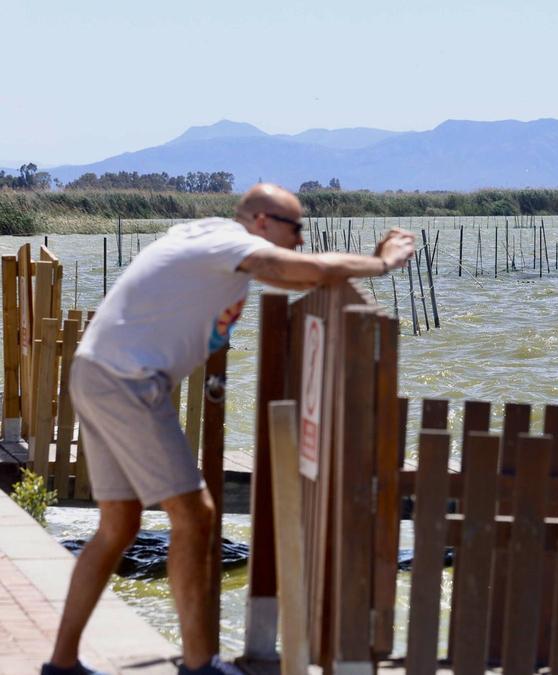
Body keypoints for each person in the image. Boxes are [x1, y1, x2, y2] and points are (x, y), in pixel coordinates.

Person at [43, 184, 415, 675]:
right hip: (127, 381)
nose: (300, 240)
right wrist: (383, 263)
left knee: (119, 526)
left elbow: (299, 277)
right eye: (295, 228)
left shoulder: (213, 244)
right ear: (262, 221)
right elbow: (303, 270)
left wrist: (335, 269)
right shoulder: (226, 243)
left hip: (101, 372)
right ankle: (200, 666)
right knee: (195, 516)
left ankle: (62, 664)